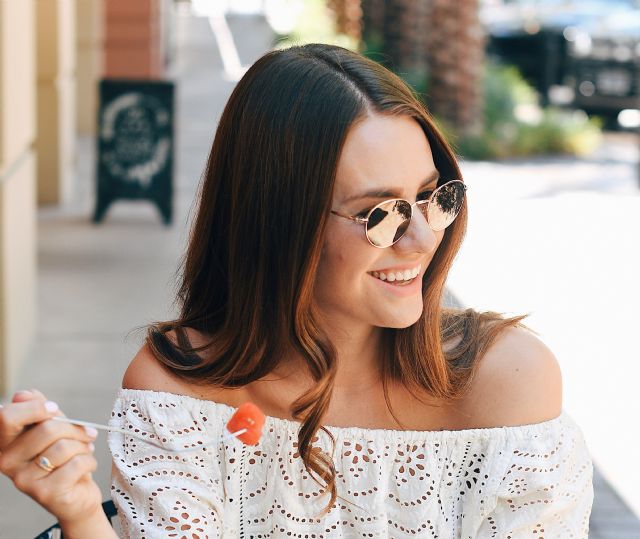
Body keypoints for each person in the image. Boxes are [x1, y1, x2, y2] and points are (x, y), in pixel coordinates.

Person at [0, 43, 593, 537]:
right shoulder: (181, 391)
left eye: (435, 198)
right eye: (380, 214)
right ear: (278, 221)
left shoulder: (508, 386)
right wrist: (81, 515)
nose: (420, 239)